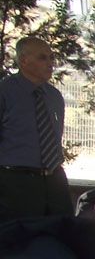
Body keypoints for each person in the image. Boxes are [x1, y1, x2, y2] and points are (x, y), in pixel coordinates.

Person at [0, 36, 71, 219]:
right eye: (42, 58)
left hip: (54, 180)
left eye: (51, 57)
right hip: (16, 181)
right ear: (23, 60)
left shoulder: (54, 96)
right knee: (22, 234)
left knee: (61, 230)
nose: (50, 63)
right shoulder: (5, 92)